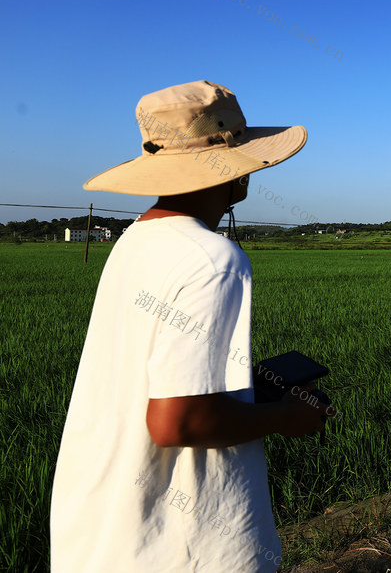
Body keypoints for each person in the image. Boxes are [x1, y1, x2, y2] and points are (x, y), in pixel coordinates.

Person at [50, 80, 326, 571]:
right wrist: (287, 416)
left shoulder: (138, 239)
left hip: (107, 535)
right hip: (183, 549)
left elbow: (156, 376)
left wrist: (243, 388)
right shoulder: (213, 258)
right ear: (239, 170)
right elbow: (177, 421)